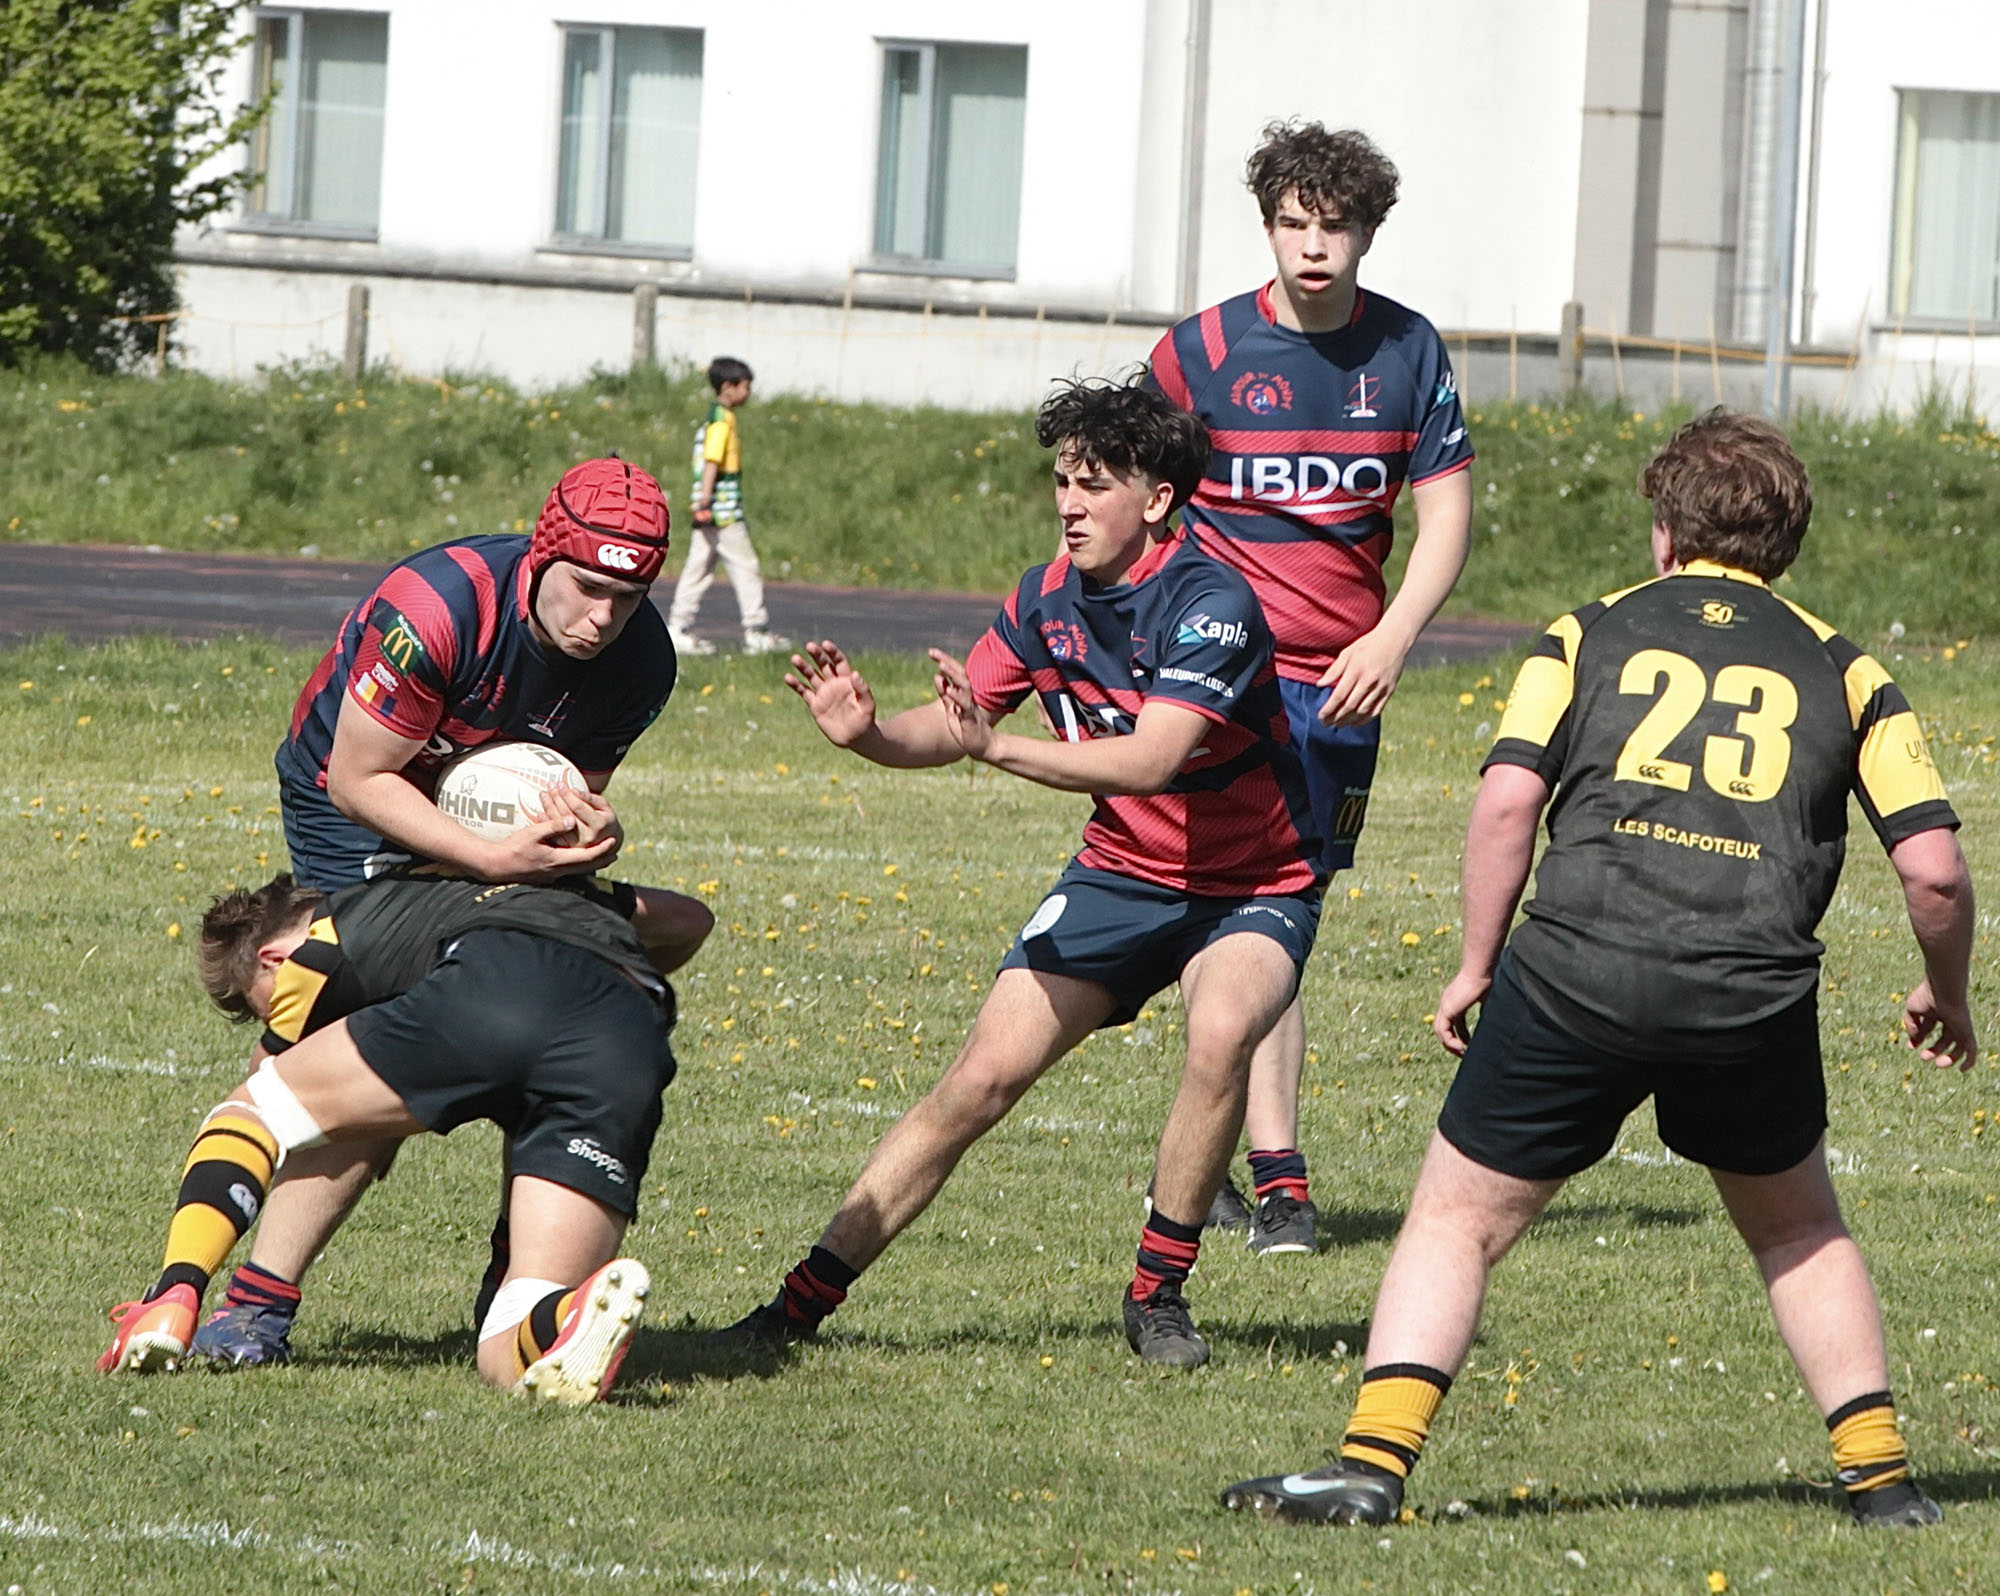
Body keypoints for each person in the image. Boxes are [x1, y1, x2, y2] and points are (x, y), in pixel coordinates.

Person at [1221, 409, 1976, 1528]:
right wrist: (1946, 993)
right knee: (1798, 1231)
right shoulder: (1847, 668)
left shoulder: (1584, 633)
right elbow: (1935, 873)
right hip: (1747, 993)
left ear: (1664, 532)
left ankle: (1371, 1468)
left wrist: (1474, 963)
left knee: (1455, 1219)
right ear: (1786, 546)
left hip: (1575, 971)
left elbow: (1507, 802)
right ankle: (1882, 1486)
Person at [712, 376, 1324, 1370]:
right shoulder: (1045, 598)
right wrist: (870, 734)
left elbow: (1151, 758)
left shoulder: (1211, 602)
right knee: (976, 1083)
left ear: (1158, 499)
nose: (1069, 504)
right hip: (1119, 873)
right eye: (1062, 481)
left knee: (1219, 1036)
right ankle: (793, 1309)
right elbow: (958, 722)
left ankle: (1156, 1296)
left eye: (1094, 485)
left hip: (1252, 882)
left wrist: (994, 749)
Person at [196, 455, 713, 1370]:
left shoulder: (642, 660)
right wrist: (491, 861)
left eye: (628, 599)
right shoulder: (436, 608)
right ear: (542, 557)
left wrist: (588, 836)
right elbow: (359, 778)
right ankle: (255, 1305)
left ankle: (525, 1284)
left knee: (538, 994)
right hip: (352, 803)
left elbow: (559, 795)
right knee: (352, 1025)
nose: (603, 618)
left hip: (480, 823)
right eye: (588, 588)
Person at [1147, 121, 1474, 1254]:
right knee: (1230, 910)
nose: (1313, 246)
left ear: (1368, 231)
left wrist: (1391, 637)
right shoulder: (1197, 352)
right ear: (1267, 228)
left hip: (1335, 689)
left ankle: (1225, 1169)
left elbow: (1445, 514)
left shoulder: (1408, 350)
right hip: (1212, 682)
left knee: (1283, 917)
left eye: (1334, 225)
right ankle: (1272, 1174)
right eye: (1293, 224)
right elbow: (1134, 504)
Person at [100, 869, 685, 1403]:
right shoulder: (521, 885)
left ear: (274, 958)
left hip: (499, 978)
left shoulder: (321, 940)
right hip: (627, 1028)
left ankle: (172, 1294)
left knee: (252, 1110)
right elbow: (692, 920)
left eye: (268, 1010)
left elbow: (268, 1077)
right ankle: (565, 1314)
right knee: (508, 1340)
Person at [667, 356, 790, 658]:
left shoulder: (719, 418)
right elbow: (712, 462)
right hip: (722, 511)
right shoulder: (721, 422)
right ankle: (756, 629)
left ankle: (677, 627)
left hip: (714, 509)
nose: (748, 393)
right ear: (727, 387)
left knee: (698, 568)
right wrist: (705, 500)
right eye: (745, 386)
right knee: (745, 566)